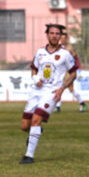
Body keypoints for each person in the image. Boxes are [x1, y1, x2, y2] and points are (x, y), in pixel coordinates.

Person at [19, 24, 77, 164]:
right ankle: (36, 132)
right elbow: (34, 69)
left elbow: (73, 74)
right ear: (47, 34)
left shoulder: (65, 54)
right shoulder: (40, 52)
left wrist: (61, 89)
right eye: (52, 33)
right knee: (25, 126)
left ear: (60, 36)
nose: (55, 36)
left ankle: (29, 156)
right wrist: (35, 78)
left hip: (51, 92)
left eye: (58, 33)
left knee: (36, 120)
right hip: (36, 92)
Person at [53, 25, 87, 113]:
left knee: (69, 88)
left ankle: (82, 103)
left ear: (66, 38)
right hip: (62, 71)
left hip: (70, 71)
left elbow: (76, 59)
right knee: (60, 87)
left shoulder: (70, 48)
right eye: (61, 38)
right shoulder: (59, 47)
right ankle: (58, 107)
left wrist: (78, 70)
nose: (62, 39)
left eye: (64, 38)